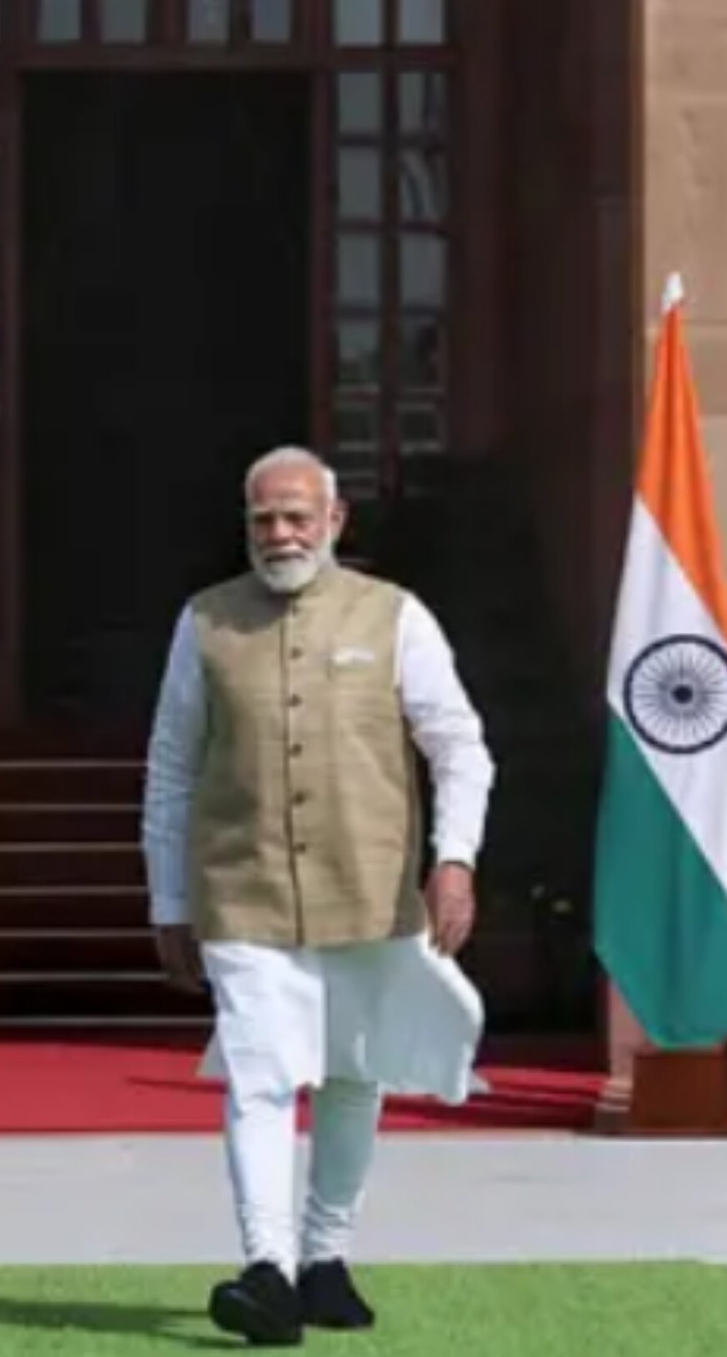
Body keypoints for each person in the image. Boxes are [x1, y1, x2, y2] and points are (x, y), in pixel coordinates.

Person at [141, 445, 493, 1348]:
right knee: (259, 1078)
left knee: (350, 1075)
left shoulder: (395, 615)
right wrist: (167, 899)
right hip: (243, 892)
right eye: (263, 519)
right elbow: (172, 766)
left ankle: (325, 1257)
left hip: (370, 891)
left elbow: (458, 746)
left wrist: (454, 858)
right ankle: (268, 1269)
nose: (281, 534)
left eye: (297, 516)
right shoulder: (205, 621)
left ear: (335, 520)